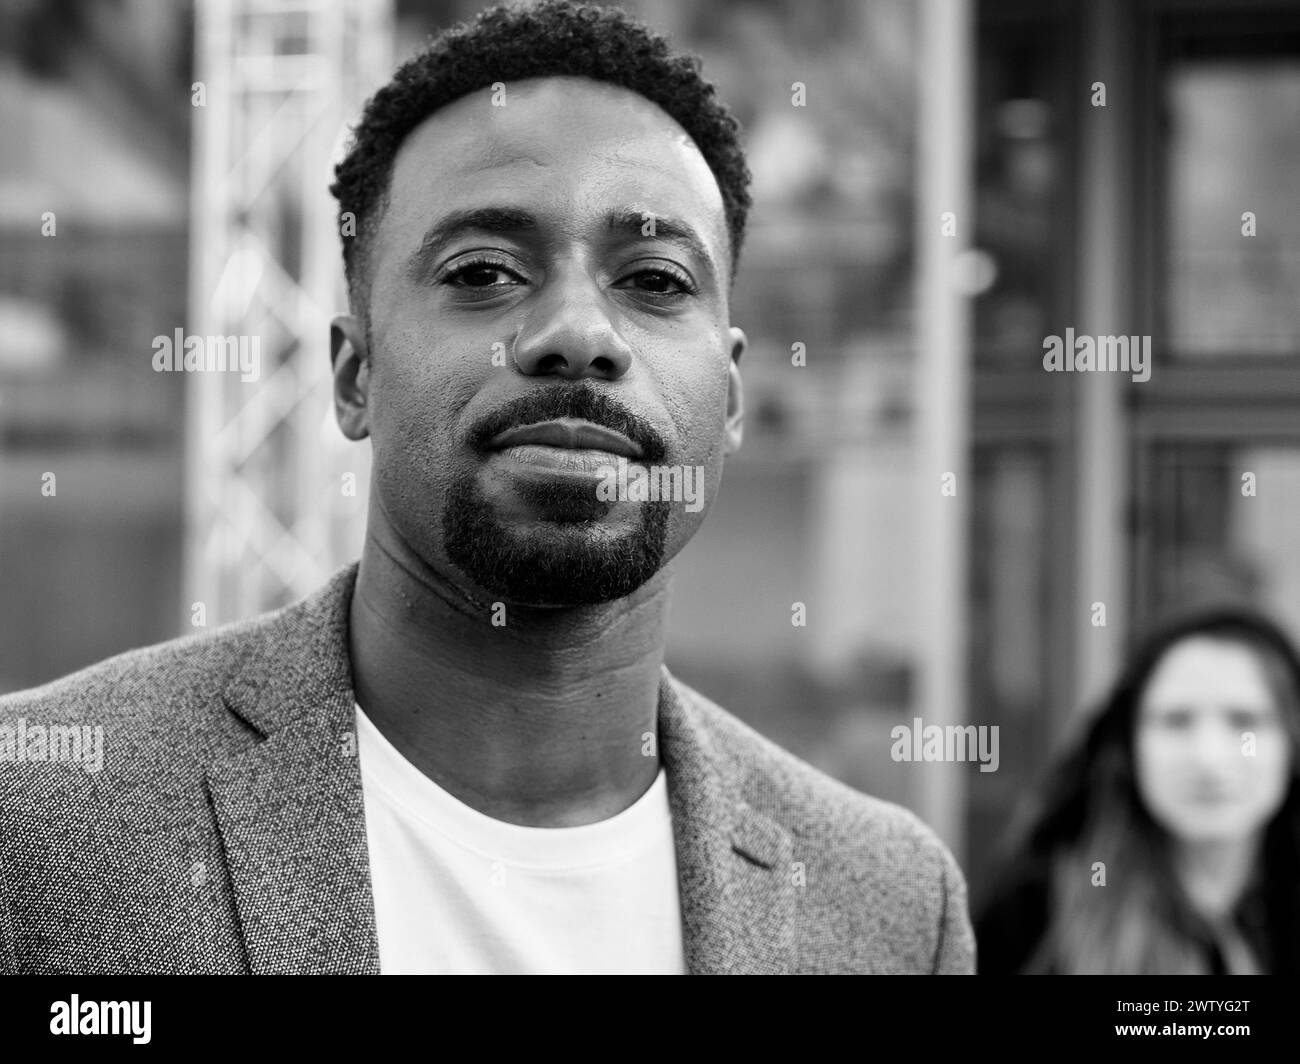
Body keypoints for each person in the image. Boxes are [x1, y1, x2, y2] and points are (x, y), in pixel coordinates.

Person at [0, 0, 973, 974]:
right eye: (484, 271)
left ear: (728, 395)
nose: (580, 333)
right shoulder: (37, 817)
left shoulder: (889, 904)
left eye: (657, 281)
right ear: (353, 377)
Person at [976, 609, 1300, 974]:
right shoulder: (1036, 914)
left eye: (1245, 721)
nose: (1209, 758)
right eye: (1176, 720)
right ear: (1126, 746)